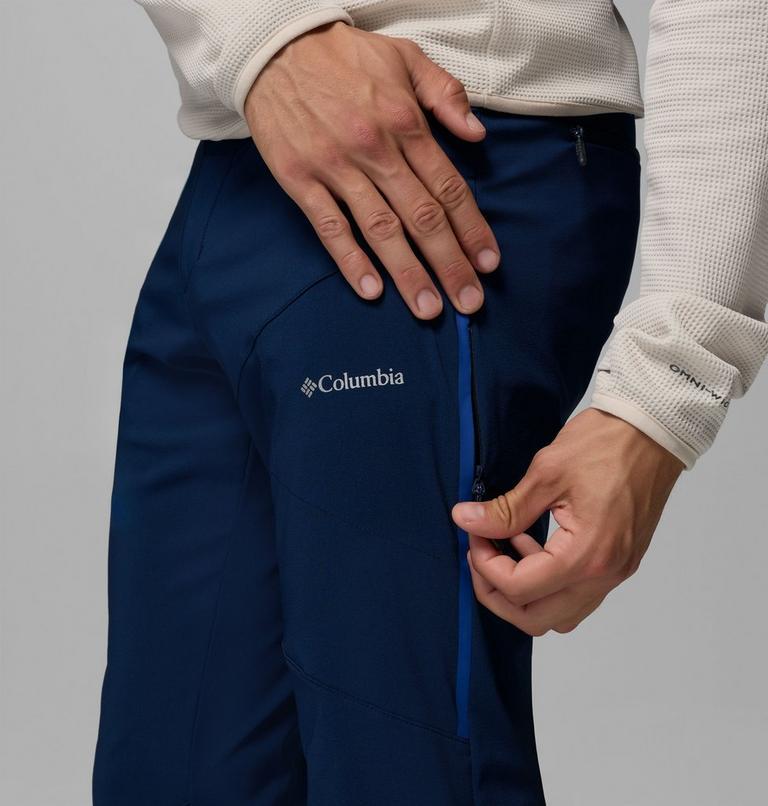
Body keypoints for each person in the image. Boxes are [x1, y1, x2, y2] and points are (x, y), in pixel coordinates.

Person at [93, 2, 768, 804]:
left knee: (403, 764)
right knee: (169, 772)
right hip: (241, 156)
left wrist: (668, 384)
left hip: (448, 171)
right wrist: (259, 34)